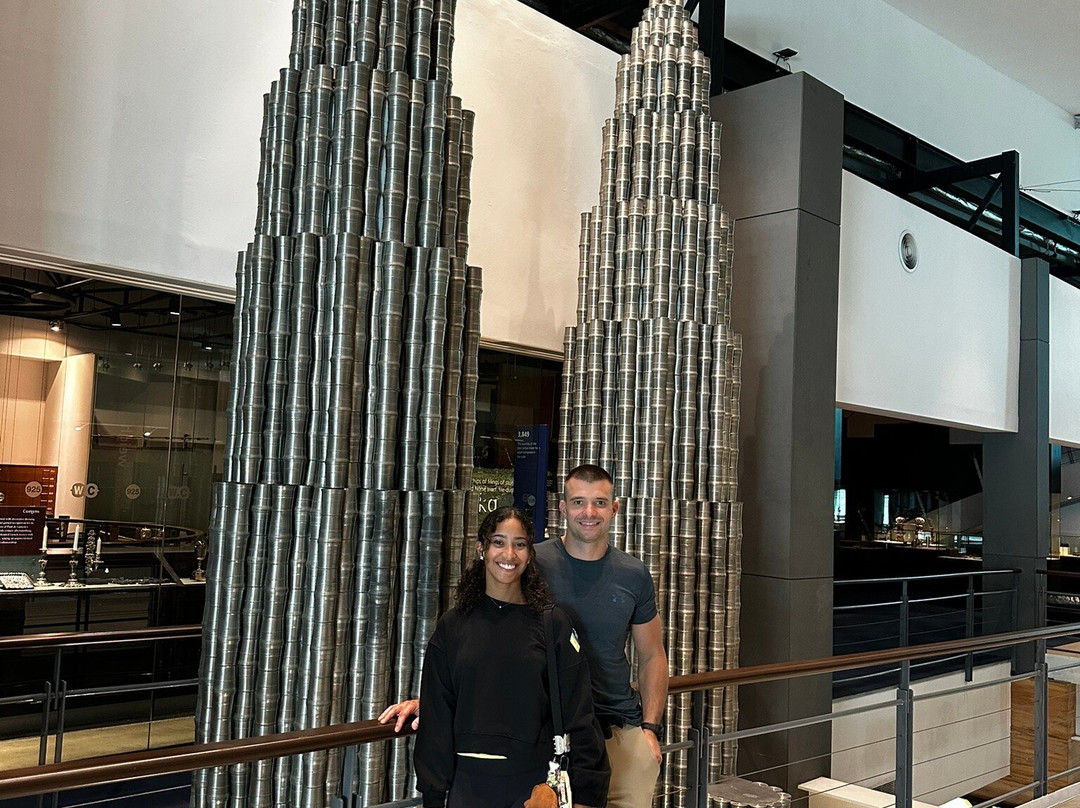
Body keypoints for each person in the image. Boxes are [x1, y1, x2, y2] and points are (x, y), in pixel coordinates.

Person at [382, 467, 668, 808]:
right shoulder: (529, 566)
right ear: (563, 507)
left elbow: (652, 655)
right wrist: (435, 700)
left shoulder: (631, 575)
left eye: (600, 503)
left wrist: (650, 728)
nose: (589, 512)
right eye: (579, 501)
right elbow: (484, 648)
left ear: (614, 508)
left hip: (612, 730)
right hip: (547, 743)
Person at [411, 506, 610, 808]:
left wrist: (586, 793)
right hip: (467, 786)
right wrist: (433, 794)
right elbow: (436, 718)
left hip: (535, 787)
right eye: (498, 542)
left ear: (530, 554)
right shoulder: (452, 626)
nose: (509, 554)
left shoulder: (553, 624)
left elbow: (578, 711)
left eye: (519, 544)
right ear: (481, 549)